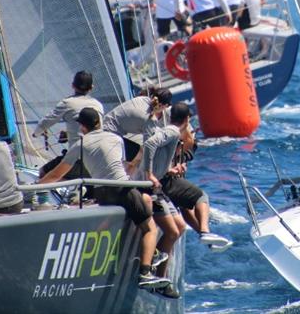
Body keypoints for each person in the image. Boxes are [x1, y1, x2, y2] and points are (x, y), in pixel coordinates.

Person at [38, 108, 169, 289]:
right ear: (99, 122)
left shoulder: (80, 145)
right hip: (122, 189)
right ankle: (145, 272)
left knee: (140, 205)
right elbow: (123, 165)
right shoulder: (116, 139)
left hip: (101, 192)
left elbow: (56, 174)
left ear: (82, 127)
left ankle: (151, 253)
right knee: (150, 229)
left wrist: (36, 186)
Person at [134, 102, 194, 299]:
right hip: (148, 189)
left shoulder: (172, 133)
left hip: (157, 188)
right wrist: (150, 173)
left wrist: (169, 170)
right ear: (187, 120)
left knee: (180, 228)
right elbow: (150, 144)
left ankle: (160, 275)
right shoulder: (173, 132)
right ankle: (153, 271)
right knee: (172, 230)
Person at [160, 127, 232, 251]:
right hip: (164, 186)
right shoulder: (170, 146)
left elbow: (186, 209)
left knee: (186, 208)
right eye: (192, 134)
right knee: (201, 196)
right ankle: (204, 232)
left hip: (172, 187)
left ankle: (205, 236)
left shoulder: (186, 151)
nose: (193, 137)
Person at [32, 71, 103, 147]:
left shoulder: (67, 103)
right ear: (91, 87)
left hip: (78, 153)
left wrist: (35, 134)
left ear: (72, 86)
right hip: (98, 151)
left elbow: (46, 122)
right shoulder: (98, 105)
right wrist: (67, 133)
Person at [103, 88, 172, 160]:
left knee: (135, 151)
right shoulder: (149, 120)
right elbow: (148, 149)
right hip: (109, 136)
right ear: (164, 106)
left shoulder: (142, 99)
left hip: (105, 124)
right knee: (140, 155)